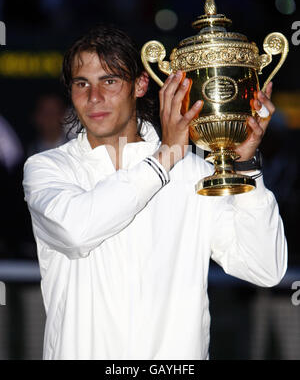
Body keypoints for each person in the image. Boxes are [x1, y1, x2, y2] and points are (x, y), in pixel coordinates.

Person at [22, 24, 287, 360]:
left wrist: (246, 168)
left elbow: (265, 268)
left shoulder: (194, 173)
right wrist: (165, 159)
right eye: (81, 84)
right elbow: (76, 231)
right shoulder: (48, 168)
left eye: (110, 80)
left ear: (141, 84)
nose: (94, 98)